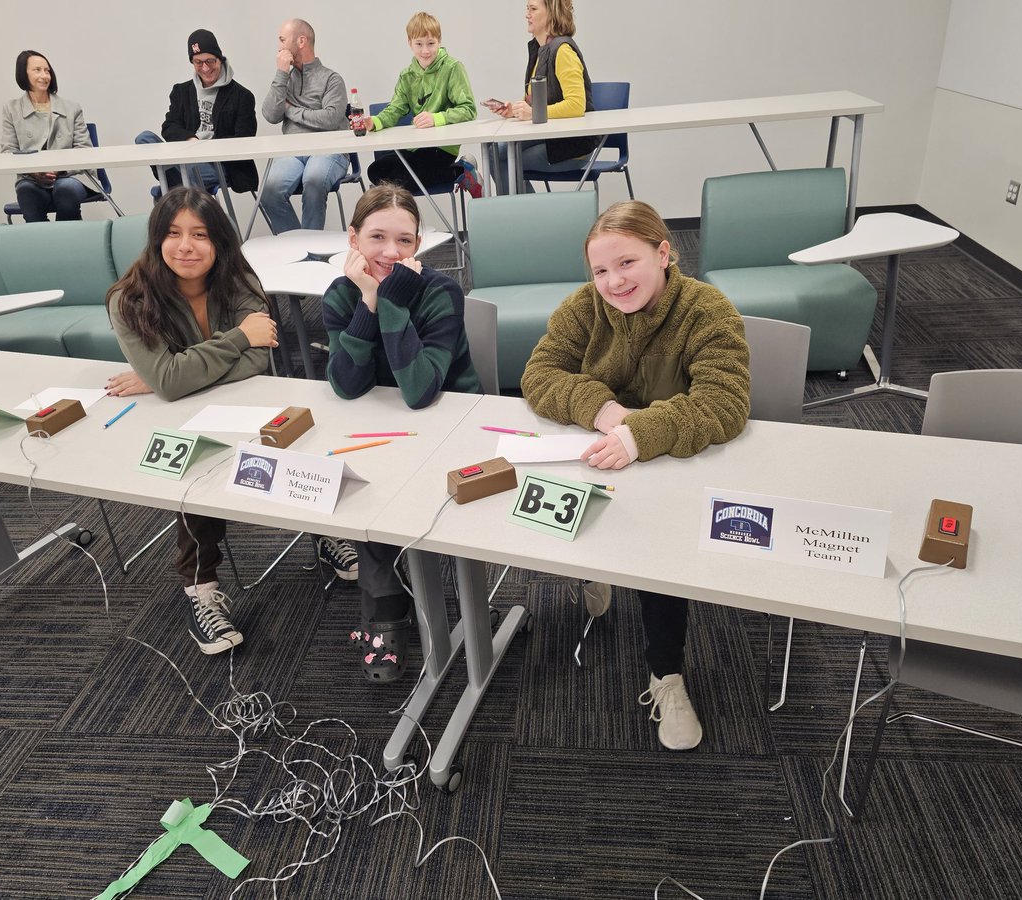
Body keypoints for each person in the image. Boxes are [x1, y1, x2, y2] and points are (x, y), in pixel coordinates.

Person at [521, 200, 751, 749]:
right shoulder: (583, 308)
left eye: (627, 263)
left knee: (658, 561)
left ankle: (665, 673)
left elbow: (724, 403)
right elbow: (539, 375)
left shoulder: (706, 310)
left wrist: (639, 434)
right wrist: (604, 413)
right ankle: (598, 565)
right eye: (600, 270)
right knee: (546, 514)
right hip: (602, 456)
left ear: (664, 254)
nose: (613, 281)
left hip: (676, 463)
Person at [106, 187, 279, 655]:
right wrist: (236, 338)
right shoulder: (130, 299)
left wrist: (171, 372)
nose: (186, 246)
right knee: (196, 476)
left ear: (219, 241)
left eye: (200, 234)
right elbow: (171, 382)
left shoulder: (240, 279)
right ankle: (200, 589)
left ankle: (328, 538)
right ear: (156, 239)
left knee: (297, 441)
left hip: (252, 400)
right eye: (173, 233)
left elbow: (259, 364)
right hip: (180, 420)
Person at [322, 183, 481, 681]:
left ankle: (388, 612)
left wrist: (388, 301)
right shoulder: (340, 293)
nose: (392, 252)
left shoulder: (440, 291)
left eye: (405, 241)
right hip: (380, 428)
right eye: (377, 237)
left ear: (419, 243)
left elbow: (419, 389)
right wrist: (367, 302)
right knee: (361, 485)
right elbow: (347, 386)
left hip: (450, 424)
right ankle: (388, 605)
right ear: (353, 238)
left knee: (387, 486)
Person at [356, 11, 478, 193]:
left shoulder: (452, 68)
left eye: (431, 43)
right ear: (410, 43)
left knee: (397, 183)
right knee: (376, 171)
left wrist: (436, 118)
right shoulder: (407, 75)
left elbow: (468, 109)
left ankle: (462, 169)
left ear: (439, 41)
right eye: (419, 44)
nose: (425, 50)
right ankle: (457, 170)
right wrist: (374, 122)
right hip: (415, 148)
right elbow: (396, 108)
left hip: (442, 148)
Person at [490, 0, 603, 193]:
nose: (527, 14)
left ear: (551, 13)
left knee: (509, 161)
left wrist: (534, 113)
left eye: (533, 9)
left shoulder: (563, 51)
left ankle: (526, 219)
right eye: (527, 8)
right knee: (496, 152)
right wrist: (515, 110)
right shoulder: (540, 49)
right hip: (551, 138)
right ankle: (525, 216)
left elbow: (577, 105)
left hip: (572, 147)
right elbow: (536, 100)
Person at [134, 29, 258, 196]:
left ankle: (172, 189)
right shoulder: (181, 91)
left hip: (220, 165)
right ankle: (177, 185)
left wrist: (204, 149)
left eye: (210, 61)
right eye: (198, 62)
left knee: (170, 186)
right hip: (184, 158)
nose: (205, 68)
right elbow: (170, 127)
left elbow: (244, 139)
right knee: (144, 138)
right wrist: (191, 140)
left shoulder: (242, 96)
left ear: (219, 59)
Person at [258, 18, 349, 232]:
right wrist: (281, 73)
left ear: (301, 41)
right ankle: (298, 249)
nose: (279, 47)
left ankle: (313, 257)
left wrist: (290, 110)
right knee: (269, 191)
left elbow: (329, 120)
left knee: (315, 181)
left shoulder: (332, 79)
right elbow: (270, 115)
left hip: (329, 150)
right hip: (293, 151)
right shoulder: (286, 79)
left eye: (282, 40)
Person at [1, 50, 98, 223]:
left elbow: (84, 149)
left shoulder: (72, 108)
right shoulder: (11, 109)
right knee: (26, 191)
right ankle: (42, 245)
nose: (44, 75)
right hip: (31, 179)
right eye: (37, 70)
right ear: (23, 74)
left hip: (71, 176)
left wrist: (59, 169)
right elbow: (9, 152)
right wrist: (34, 171)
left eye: (47, 71)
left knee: (65, 188)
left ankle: (71, 242)